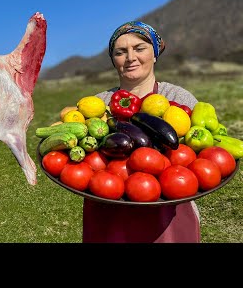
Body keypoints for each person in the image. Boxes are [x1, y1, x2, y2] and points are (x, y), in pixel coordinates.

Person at [82, 21, 201, 243]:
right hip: (107, 208)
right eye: (120, 52)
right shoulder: (98, 103)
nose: (130, 57)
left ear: (155, 54)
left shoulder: (178, 97)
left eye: (139, 48)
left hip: (169, 211)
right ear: (113, 60)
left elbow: (200, 156)